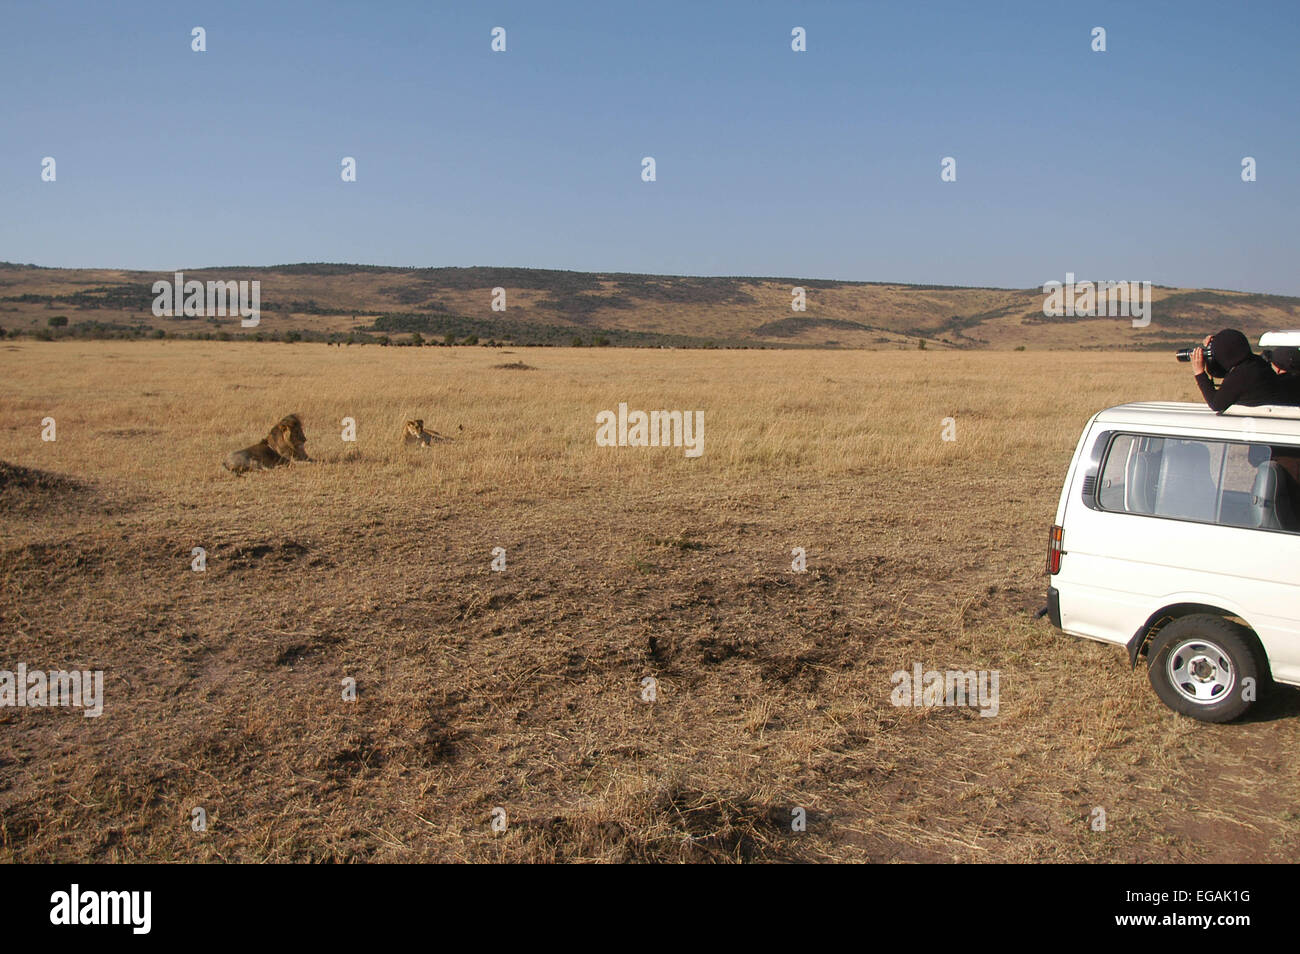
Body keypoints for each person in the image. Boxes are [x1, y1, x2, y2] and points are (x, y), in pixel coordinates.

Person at [1191, 328, 1276, 412]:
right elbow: (1221, 371)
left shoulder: (1242, 375)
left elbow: (1216, 404)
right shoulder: (1256, 363)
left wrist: (1199, 373)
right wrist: (1215, 344)